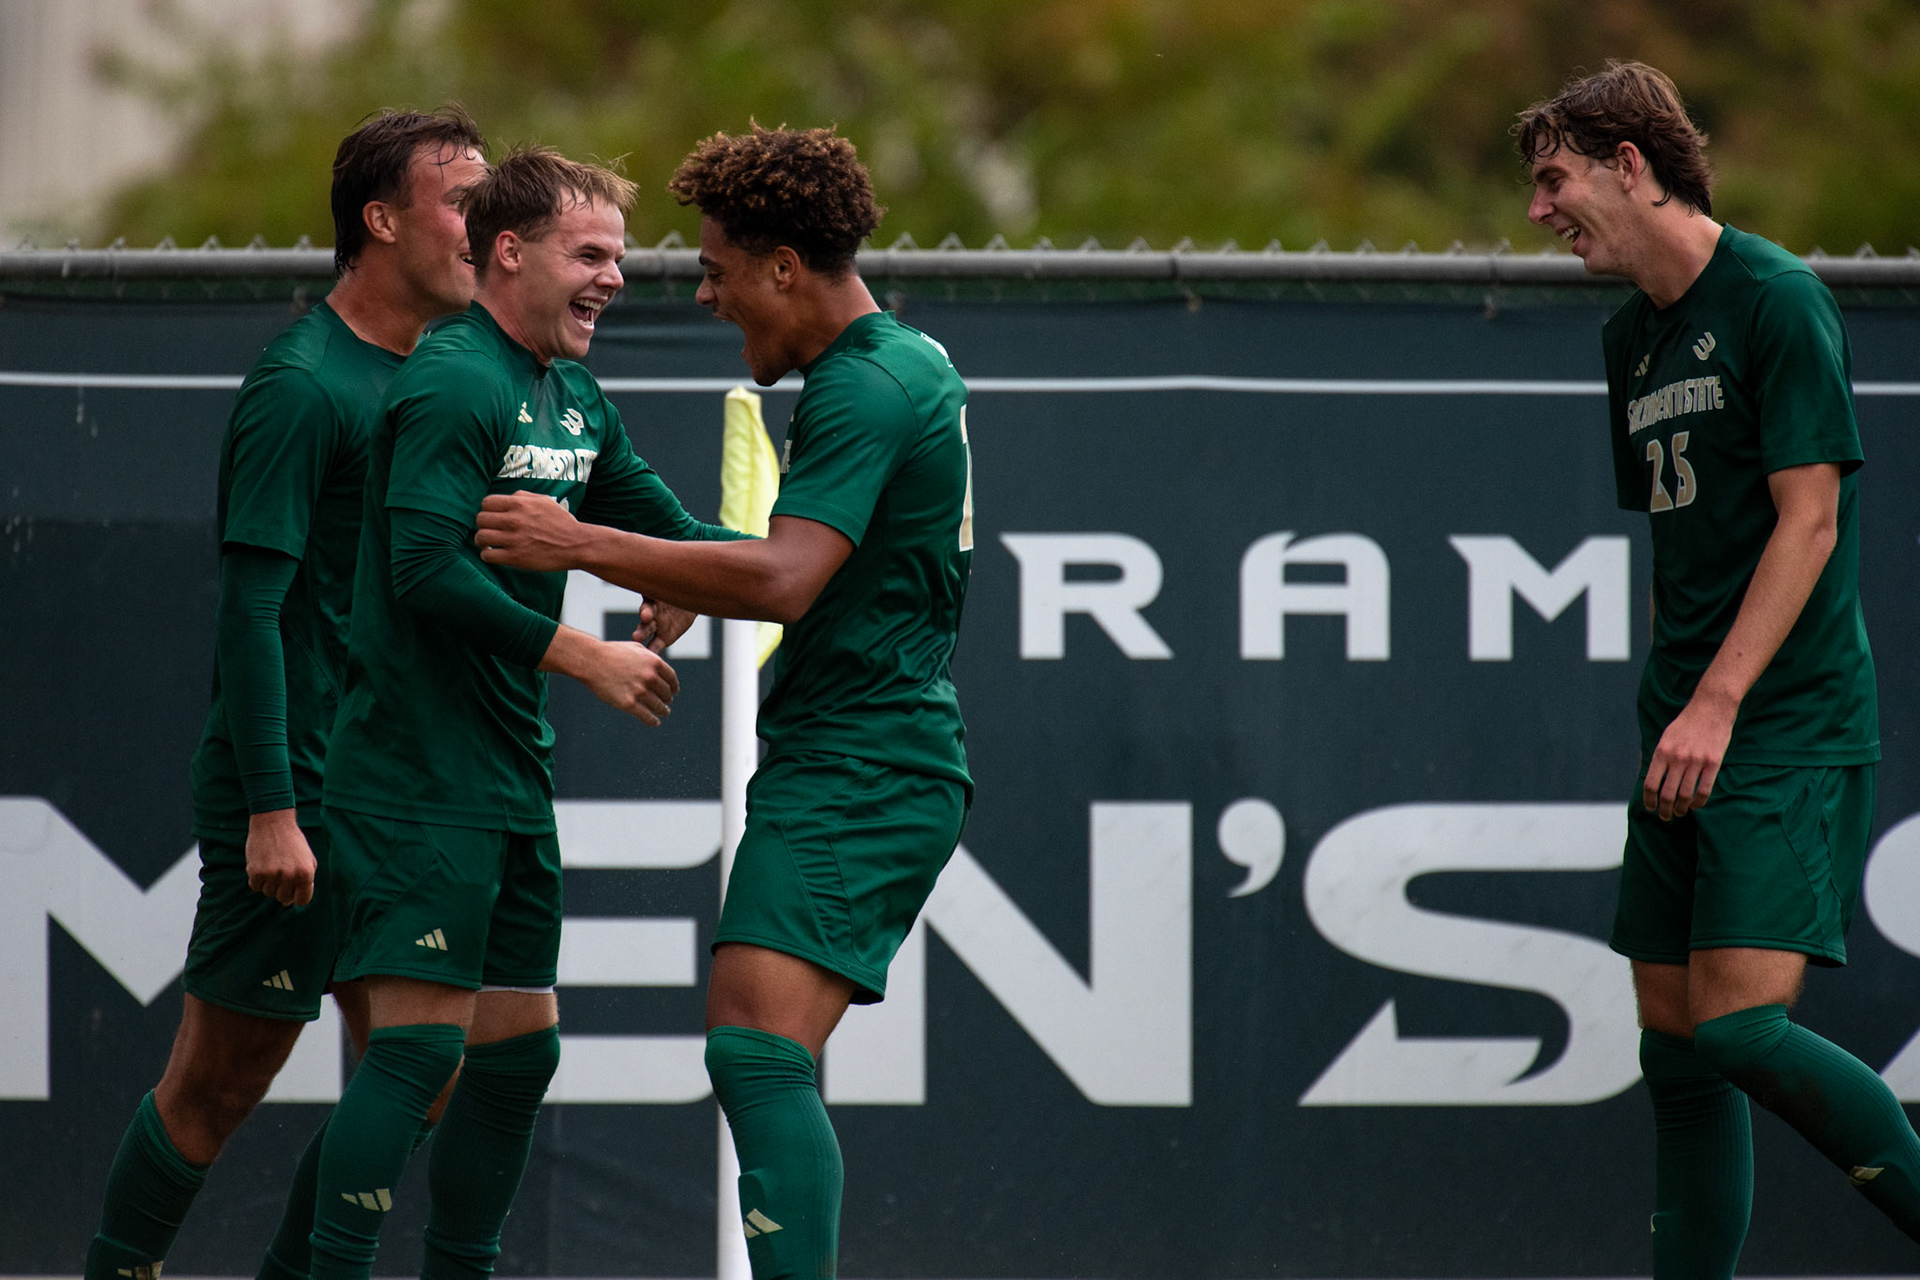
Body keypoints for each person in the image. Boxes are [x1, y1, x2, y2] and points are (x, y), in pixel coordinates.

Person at [473, 123, 973, 1280]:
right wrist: (687, 571)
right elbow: (809, 565)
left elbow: (788, 577)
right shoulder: (906, 360)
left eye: (717, 270)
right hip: (869, 751)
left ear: (784, 267)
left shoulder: (862, 386)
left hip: (864, 760)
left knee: (753, 1047)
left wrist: (582, 542)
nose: (705, 295)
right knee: (756, 1045)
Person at [304, 144, 743, 1280]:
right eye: (590, 254)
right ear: (509, 251)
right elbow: (421, 569)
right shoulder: (456, 376)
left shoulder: (571, 394)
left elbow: (669, 530)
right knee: (416, 1057)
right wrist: (583, 655)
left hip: (507, 775)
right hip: (415, 771)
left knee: (515, 1056)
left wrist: (699, 573)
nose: (615, 278)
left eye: (619, 258)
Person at [1519, 60, 1920, 1274]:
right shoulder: (1630, 338)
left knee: (1740, 1028)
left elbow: (1811, 520)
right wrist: (1676, 707)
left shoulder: (1775, 297)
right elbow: (1677, 547)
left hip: (1778, 720)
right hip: (1685, 725)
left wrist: (1718, 699)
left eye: (1555, 180)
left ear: (1630, 165)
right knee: (1679, 1049)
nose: (1540, 210)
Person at [83, 106, 488, 1280]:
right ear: (382, 220)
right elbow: (252, 610)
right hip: (298, 793)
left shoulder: (448, 377)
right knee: (218, 1083)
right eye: (462, 201)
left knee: (421, 1069)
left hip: (397, 792)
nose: (485, 226)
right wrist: (273, 807)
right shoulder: (303, 385)